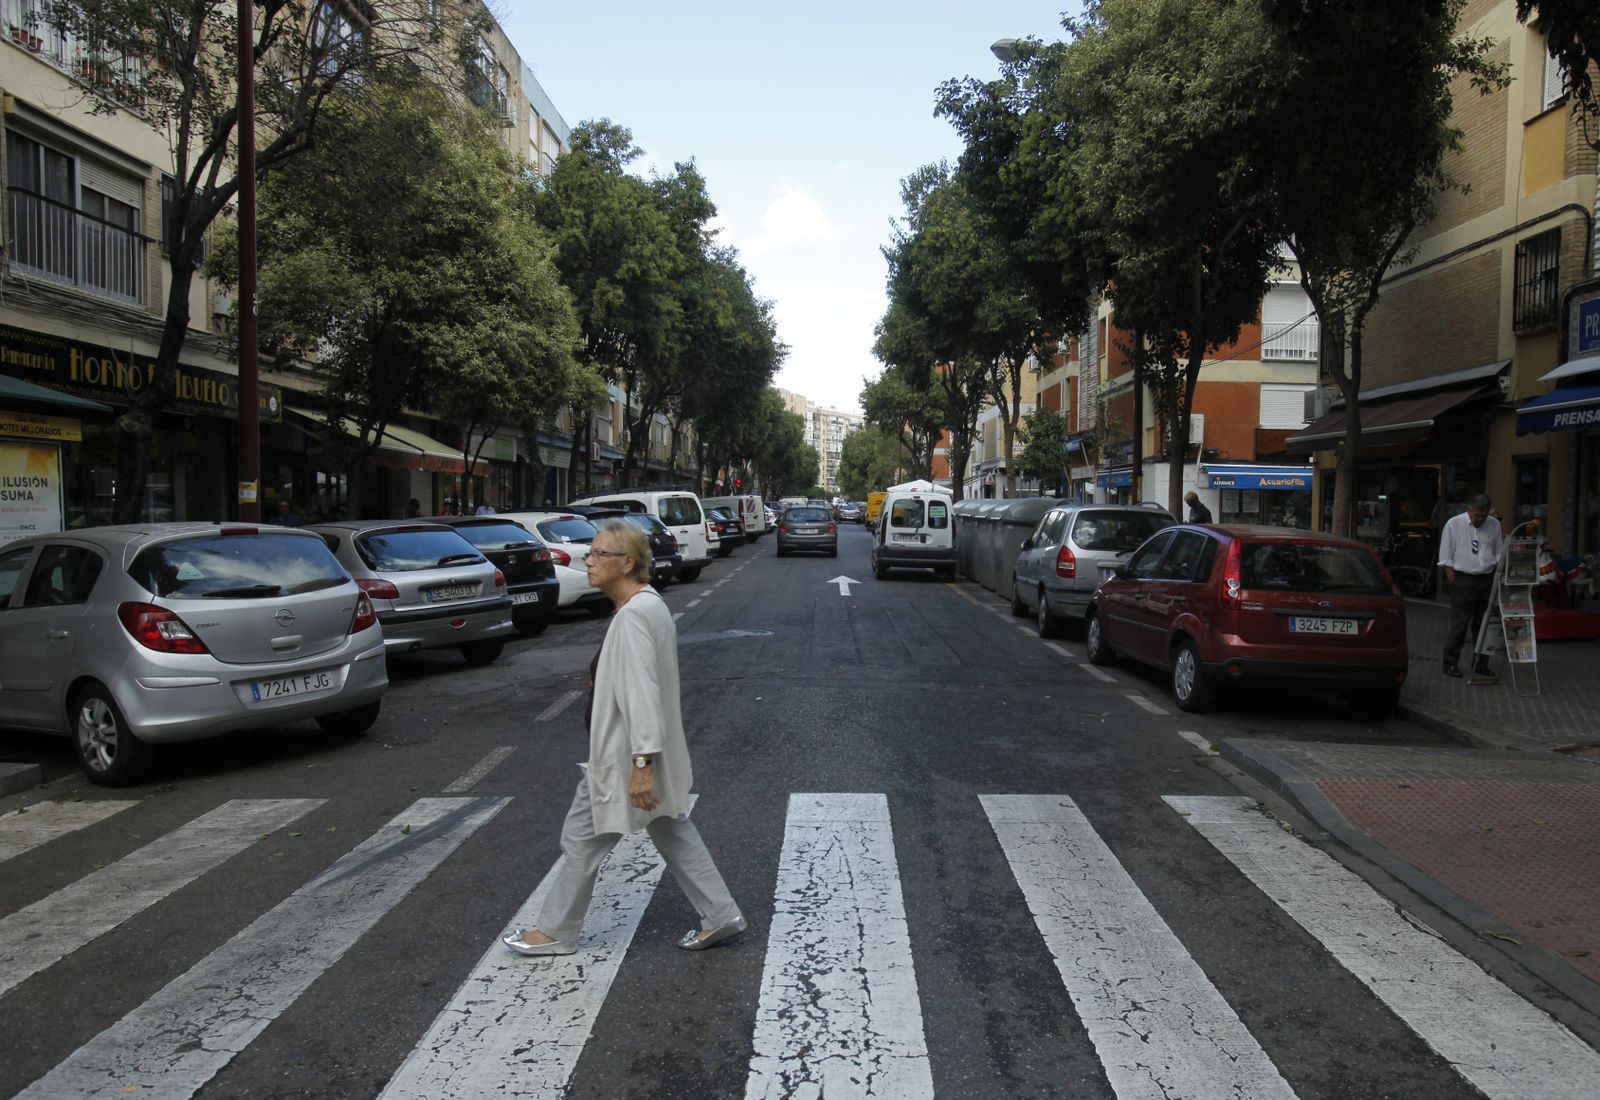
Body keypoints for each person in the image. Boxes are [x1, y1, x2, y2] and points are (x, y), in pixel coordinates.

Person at [504, 520, 745, 958]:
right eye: (591, 554)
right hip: (641, 755)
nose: (588, 561)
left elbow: (641, 696)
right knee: (672, 827)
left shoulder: (634, 616)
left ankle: (556, 931)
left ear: (628, 562)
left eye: (599, 554)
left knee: (581, 839)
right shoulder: (648, 604)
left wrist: (640, 768)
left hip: (623, 759)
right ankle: (721, 913)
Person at [1437, 492, 1504, 679]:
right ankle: (1450, 662)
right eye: (1476, 515)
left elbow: (1498, 551)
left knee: (1483, 624)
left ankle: (1481, 662)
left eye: (1483, 516)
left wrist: (1499, 571)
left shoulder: (1494, 524)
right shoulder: (1454, 524)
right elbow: (1446, 554)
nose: (1480, 520)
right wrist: (1451, 575)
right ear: (1469, 509)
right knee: (1460, 623)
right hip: (1463, 578)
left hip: (1486, 577)